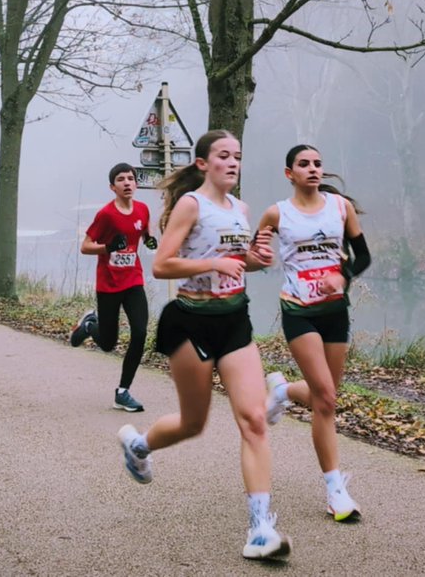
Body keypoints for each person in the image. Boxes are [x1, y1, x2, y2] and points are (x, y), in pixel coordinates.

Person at [116, 130, 290, 561]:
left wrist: (255, 259)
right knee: (195, 424)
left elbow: (238, 260)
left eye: (238, 157)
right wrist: (214, 262)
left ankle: (261, 528)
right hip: (190, 322)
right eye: (223, 156)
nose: (233, 163)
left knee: (253, 420)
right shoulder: (192, 205)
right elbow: (161, 265)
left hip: (233, 320)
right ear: (202, 164)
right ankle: (139, 447)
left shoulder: (242, 209)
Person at [258, 144, 372, 523]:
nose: (313, 169)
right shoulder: (277, 213)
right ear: (289, 173)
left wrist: (343, 274)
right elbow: (255, 256)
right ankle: (336, 490)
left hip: (335, 312)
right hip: (298, 312)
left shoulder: (341, 209)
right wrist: (257, 256)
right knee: (325, 397)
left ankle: (282, 391)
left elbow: (364, 257)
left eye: (318, 163)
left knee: (325, 397)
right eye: (304, 164)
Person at [72, 163, 157, 412]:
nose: (127, 183)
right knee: (109, 343)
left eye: (131, 178)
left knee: (140, 332)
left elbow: (143, 233)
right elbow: (85, 246)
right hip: (108, 285)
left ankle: (123, 391)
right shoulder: (106, 215)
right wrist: (108, 247)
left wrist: (150, 241)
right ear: (113, 187)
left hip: (133, 281)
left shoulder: (142, 209)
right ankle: (90, 325)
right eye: (121, 179)